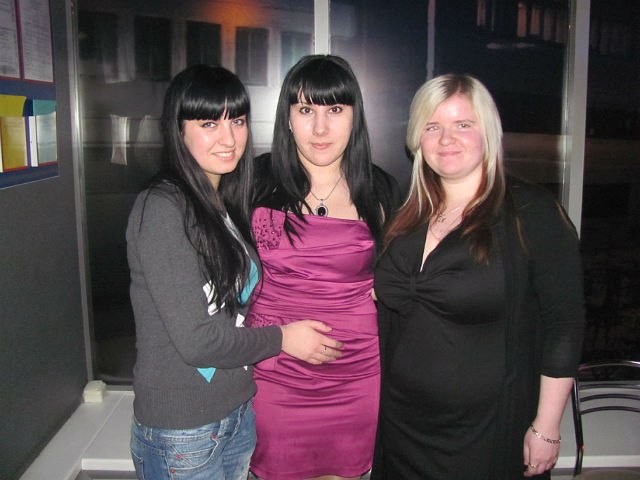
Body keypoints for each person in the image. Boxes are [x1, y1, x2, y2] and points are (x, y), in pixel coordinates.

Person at [126, 64, 342, 480]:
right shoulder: (162, 209)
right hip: (183, 430)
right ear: (178, 130)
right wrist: (283, 339)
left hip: (235, 415)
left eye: (237, 121)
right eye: (209, 123)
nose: (229, 139)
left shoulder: (221, 202)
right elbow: (198, 342)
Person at [371, 74, 585, 479]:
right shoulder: (407, 214)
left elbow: (565, 325)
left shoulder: (530, 212)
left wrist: (547, 426)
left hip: (487, 430)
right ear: (417, 139)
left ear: (488, 132)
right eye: (432, 127)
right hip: (402, 423)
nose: (446, 139)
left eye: (462, 124)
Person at [246, 55, 400, 480]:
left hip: (357, 374)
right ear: (287, 117)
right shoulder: (254, 181)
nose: (319, 128)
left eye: (334, 110)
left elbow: (401, 278)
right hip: (275, 369)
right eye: (305, 110)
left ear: (354, 117)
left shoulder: (381, 189)